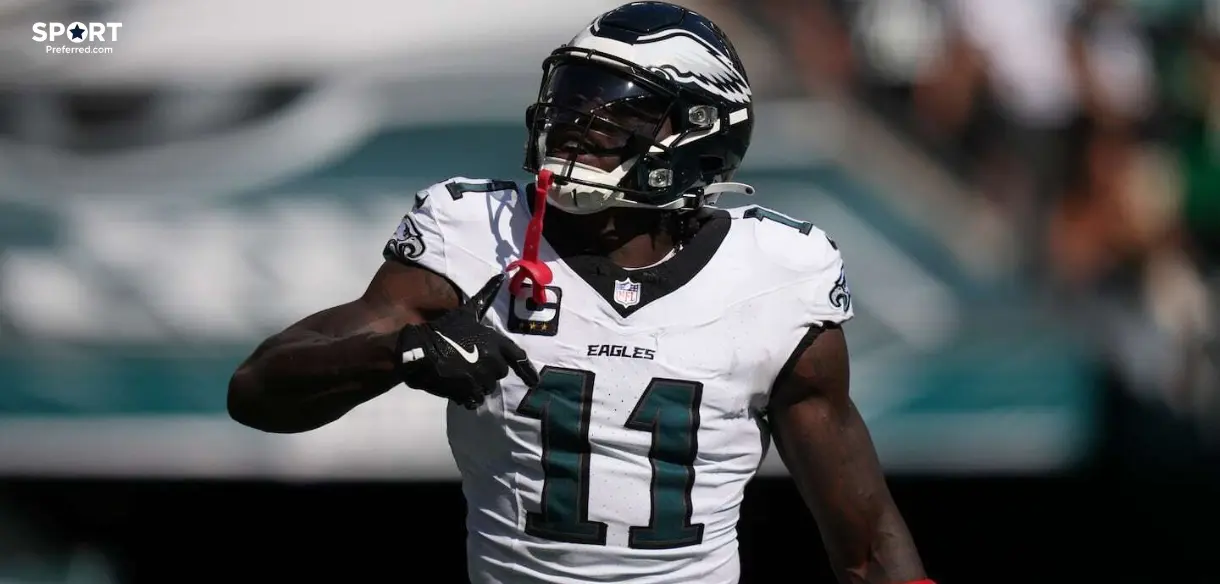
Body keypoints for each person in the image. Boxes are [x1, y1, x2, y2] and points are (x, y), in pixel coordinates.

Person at [227, 2, 932, 583]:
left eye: (616, 113)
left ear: (697, 129)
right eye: (571, 100)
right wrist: (400, 354)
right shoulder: (475, 234)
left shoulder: (776, 274)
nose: (574, 125)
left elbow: (867, 545)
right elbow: (257, 391)